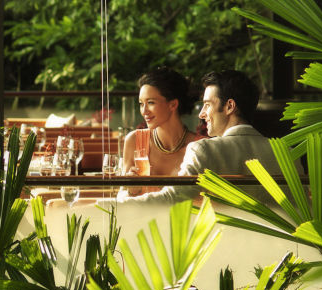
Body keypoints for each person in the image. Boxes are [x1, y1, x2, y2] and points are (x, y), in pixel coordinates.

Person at [118, 69, 285, 208]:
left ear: (229, 106)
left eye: (207, 104)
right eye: (141, 103)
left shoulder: (204, 148)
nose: (201, 114)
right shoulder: (287, 153)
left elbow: (175, 198)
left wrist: (108, 207)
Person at [121, 67, 206, 179]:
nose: (144, 111)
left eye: (151, 102)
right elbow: (122, 192)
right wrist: (132, 190)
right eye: (141, 104)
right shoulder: (134, 141)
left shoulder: (199, 147)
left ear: (173, 105)